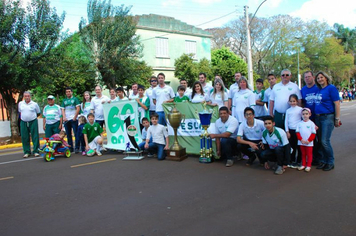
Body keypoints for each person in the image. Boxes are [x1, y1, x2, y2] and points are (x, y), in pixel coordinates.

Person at [314, 71, 341, 171]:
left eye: (321, 77)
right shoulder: (319, 90)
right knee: (320, 141)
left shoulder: (331, 88)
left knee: (325, 141)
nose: (320, 79)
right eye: (318, 78)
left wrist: (337, 118)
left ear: (326, 78)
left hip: (327, 117)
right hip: (318, 117)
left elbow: (337, 104)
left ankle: (330, 161)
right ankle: (323, 160)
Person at [301, 71, 320, 165]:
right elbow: (302, 103)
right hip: (307, 118)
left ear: (313, 77)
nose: (307, 79)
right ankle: (310, 158)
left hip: (317, 116)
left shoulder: (318, 88)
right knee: (308, 138)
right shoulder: (303, 89)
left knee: (319, 138)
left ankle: (319, 157)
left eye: (309, 76)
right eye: (305, 77)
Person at [18, 91, 41, 158]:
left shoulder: (34, 104)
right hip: (23, 121)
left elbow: (38, 113)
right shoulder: (20, 104)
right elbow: (20, 112)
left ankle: (36, 151)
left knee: (35, 136)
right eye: (25, 96)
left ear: (30, 96)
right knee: (24, 137)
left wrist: (32, 117)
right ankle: (26, 152)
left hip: (33, 121)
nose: (27, 97)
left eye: (28, 96)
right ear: (24, 97)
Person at [284, 94, 302, 168]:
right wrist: (287, 131)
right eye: (291, 101)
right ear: (289, 102)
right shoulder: (288, 111)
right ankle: (292, 160)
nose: (292, 103)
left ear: (297, 101)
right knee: (292, 146)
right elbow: (286, 121)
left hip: (298, 131)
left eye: (294, 101)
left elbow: (303, 119)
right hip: (291, 130)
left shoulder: (300, 109)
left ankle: (299, 161)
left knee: (299, 146)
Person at [296, 108, 316, 172]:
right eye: (303, 114)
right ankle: (303, 164)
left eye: (306, 114)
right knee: (303, 154)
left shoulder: (311, 123)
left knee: (309, 154)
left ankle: (308, 165)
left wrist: (309, 140)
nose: (305, 115)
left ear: (309, 114)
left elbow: (313, 133)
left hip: (309, 143)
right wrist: (301, 139)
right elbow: (297, 132)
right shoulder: (299, 123)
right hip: (301, 142)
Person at [61, 87, 80, 153]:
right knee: (68, 135)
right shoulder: (64, 100)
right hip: (67, 120)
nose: (68, 93)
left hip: (74, 119)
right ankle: (70, 147)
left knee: (76, 134)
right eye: (67, 92)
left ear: (71, 92)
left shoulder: (75, 99)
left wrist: (75, 117)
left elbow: (78, 108)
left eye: (69, 91)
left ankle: (77, 147)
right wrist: (64, 117)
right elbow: (62, 109)